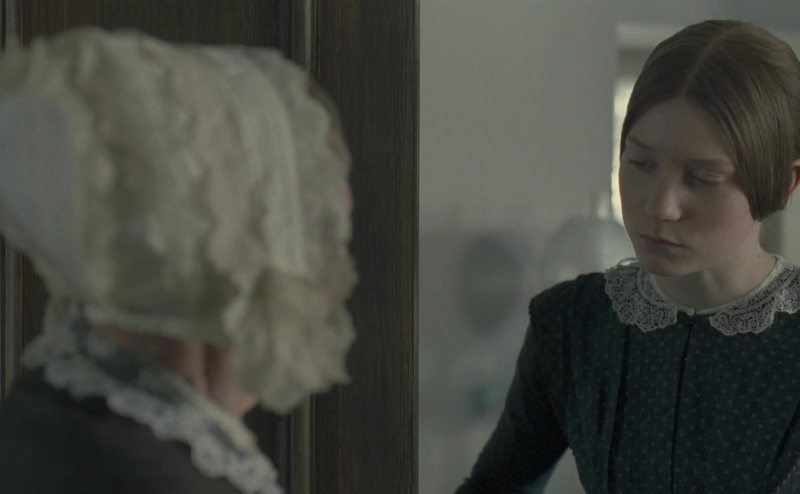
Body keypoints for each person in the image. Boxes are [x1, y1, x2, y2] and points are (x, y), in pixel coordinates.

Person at [0, 27, 356, 493]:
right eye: (321, 232)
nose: (335, 276)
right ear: (241, 244)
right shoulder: (143, 471)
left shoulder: (68, 410)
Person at [455, 19, 800, 494]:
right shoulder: (573, 323)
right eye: (641, 163)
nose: (660, 206)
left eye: (701, 178)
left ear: (783, 183)